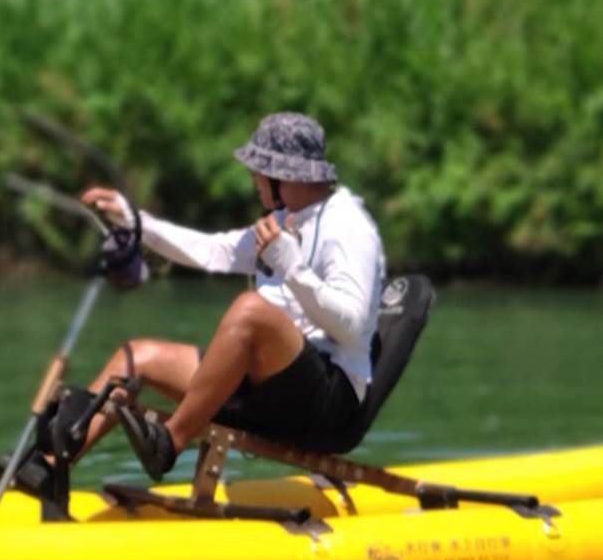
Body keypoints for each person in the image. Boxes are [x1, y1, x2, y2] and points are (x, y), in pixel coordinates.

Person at [74, 112, 384, 479]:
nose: (252, 180)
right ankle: (48, 466)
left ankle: (169, 443)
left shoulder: (348, 227)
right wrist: (136, 223)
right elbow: (210, 251)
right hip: (269, 389)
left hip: (327, 405)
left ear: (282, 176)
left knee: (250, 310)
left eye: (258, 171)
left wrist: (293, 268)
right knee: (134, 357)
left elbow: (351, 326)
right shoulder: (284, 220)